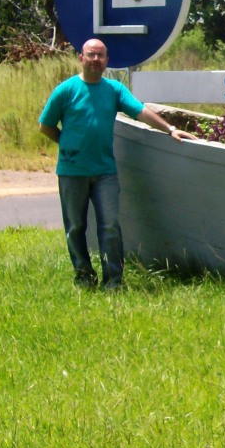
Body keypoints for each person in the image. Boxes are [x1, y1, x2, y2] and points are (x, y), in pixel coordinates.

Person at [39, 38, 194, 290]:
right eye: (91, 55)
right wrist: (66, 145)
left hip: (104, 173)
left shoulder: (114, 90)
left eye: (101, 56)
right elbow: (45, 126)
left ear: (107, 61)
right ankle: (84, 277)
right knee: (75, 227)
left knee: (110, 226)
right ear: (81, 58)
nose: (96, 60)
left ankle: (113, 281)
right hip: (71, 172)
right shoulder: (65, 90)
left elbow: (140, 111)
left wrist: (170, 129)